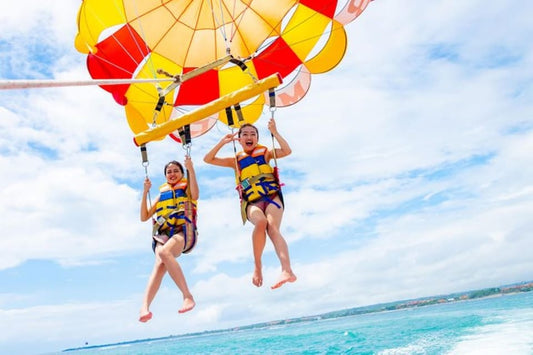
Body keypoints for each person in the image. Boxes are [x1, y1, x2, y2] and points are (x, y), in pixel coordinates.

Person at [203, 118, 297, 289]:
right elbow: (208, 159)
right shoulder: (235, 161)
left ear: (257, 138)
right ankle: (258, 267)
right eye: (244, 134)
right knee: (261, 222)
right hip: (252, 201)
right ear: (239, 139)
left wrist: (275, 132)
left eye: (253, 134)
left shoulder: (266, 153)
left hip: (272, 197)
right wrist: (222, 142)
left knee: (273, 228)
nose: (249, 136)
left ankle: (287, 270)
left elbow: (287, 150)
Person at [138, 156, 199, 322]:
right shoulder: (162, 195)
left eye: (176, 171)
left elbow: (195, 194)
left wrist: (190, 168)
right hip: (163, 234)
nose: (172, 174)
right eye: (169, 172)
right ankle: (144, 307)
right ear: (165, 176)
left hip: (183, 232)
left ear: (182, 173)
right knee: (158, 265)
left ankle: (187, 296)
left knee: (164, 253)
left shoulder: (186, 189)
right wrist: (145, 192)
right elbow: (144, 216)